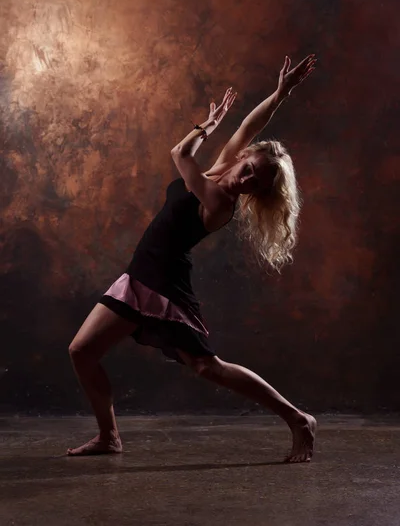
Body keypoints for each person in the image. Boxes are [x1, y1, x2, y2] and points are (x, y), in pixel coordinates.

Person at [67, 54, 317, 463]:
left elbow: (180, 153)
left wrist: (208, 125)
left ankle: (298, 418)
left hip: (162, 282)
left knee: (207, 367)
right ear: (244, 158)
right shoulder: (222, 169)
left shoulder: (219, 199)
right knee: (82, 351)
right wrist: (280, 93)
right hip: (139, 274)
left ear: (257, 194)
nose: (248, 179)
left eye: (256, 183)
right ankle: (108, 437)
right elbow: (249, 127)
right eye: (251, 168)